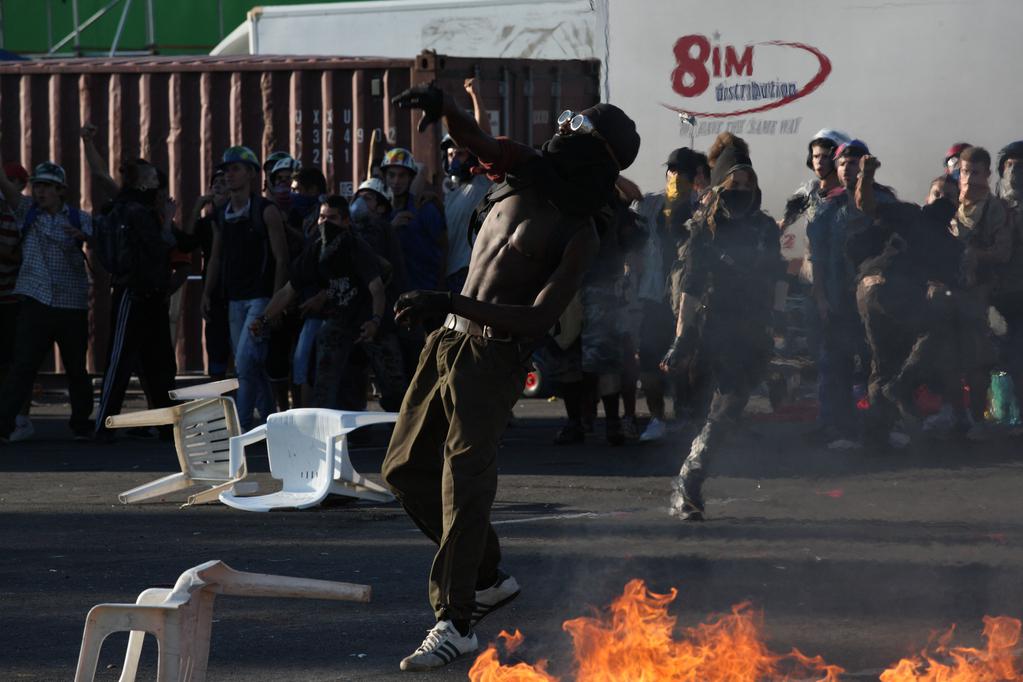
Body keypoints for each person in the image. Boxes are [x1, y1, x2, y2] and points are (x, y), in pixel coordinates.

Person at [383, 81, 639, 670]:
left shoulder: (582, 233)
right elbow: (474, 139)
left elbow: (538, 317)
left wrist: (451, 301)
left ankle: (456, 621)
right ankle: (490, 574)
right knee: (402, 470)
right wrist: (446, 107)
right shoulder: (524, 169)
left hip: (493, 359)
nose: (563, 130)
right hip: (446, 339)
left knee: (463, 481)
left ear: (598, 153)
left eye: (577, 126)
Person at [662, 140, 782, 520]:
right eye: (735, 186)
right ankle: (689, 481)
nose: (742, 193)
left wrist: (779, 323)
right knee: (711, 409)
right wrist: (682, 337)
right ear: (720, 187)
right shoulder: (704, 229)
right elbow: (692, 287)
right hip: (714, 327)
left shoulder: (765, 228)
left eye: (748, 186)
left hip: (753, 328)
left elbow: (777, 277)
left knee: (728, 408)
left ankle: (689, 479)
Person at [249, 196, 391, 409]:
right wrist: (264, 318)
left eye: (332, 218)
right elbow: (288, 291)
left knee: (392, 383)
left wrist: (375, 321)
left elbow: (377, 289)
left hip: (369, 321)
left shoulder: (357, 248)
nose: (325, 223)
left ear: (345, 222)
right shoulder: (315, 251)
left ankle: (399, 433)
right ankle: (320, 433)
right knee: (324, 384)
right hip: (339, 321)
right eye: (322, 217)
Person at [807, 140, 892, 448]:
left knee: (878, 362)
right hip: (838, 296)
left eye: (853, 163)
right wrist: (820, 296)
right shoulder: (827, 206)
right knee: (835, 363)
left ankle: (881, 427)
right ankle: (836, 428)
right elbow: (816, 256)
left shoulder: (883, 200)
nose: (847, 168)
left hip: (874, 299)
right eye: (842, 163)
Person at [0, 162, 94, 442]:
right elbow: (6, 186)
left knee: (77, 369)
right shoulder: (27, 212)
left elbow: (104, 245)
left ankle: (81, 424)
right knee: (22, 367)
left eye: (46, 187)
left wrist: (85, 237)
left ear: (60, 191)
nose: (40, 192)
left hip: (71, 305)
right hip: (36, 302)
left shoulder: (80, 219)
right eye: (37, 185)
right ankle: (4, 425)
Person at [92, 159, 184, 441]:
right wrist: (168, 221)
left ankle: (158, 424)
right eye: (152, 177)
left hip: (139, 293)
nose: (158, 181)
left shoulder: (125, 206)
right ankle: (111, 424)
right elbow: (161, 246)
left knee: (151, 361)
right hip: (138, 293)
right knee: (139, 361)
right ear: (142, 182)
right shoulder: (138, 211)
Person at [202, 146, 290, 430]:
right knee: (252, 365)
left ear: (251, 174)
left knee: (243, 364)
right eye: (226, 169)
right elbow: (215, 256)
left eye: (236, 168)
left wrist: (275, 304)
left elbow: (282, 258)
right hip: (233, 300)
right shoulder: (221, 214)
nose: (229, 174)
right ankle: (269, 423)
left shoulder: (266, 211)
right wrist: (207, 292)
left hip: (260, 300)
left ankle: (239, 428)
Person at [632, 147, 705, 442]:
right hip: (653, 296)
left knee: (686, 362)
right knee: (649, 363)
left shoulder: (702, 209)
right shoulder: (650, 205)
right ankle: (657, 418)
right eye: (670, 171)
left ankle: (687, 417)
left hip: (686, 298)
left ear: (693, 178)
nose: (674, 178)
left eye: (681, 173)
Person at [442, 77, 493, 294]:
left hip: (471, 271)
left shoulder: (481, 183)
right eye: (451, 154)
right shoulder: (448, 192)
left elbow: (484, 140)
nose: (454, 159)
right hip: (449, 275)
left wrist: (475, 96)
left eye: (460, 154)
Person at [0, 161, 33, 441]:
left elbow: (20, 255)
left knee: (17, 361)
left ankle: (20, 417)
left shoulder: (25, 213)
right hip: (6, 296)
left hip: (16, 297)